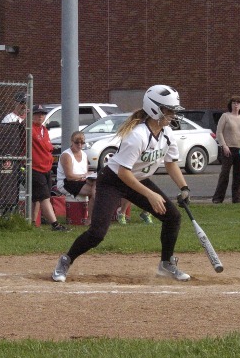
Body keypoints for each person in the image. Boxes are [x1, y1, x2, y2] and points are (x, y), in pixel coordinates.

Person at [51, 85, 192, 283]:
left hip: (137, 179)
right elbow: (123, 173)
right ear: (154, 109)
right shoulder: (138, 135)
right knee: (97, 233)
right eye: (168, 110)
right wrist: (150, 195)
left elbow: (171, 164)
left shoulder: (167, 133)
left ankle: (166, 265)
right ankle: (66, 260)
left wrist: (184, 187)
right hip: (113, 181)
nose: (173, 114)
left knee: (172, 217)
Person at [31, 105, 67, 231]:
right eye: (37, 114)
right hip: (35, 168)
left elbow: (48, 146)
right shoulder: (30, 129)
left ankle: (32, 223)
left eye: (42, 114)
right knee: (44, 197)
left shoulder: (44, 130)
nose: (40, 116)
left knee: (36, 198)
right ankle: (55, 224)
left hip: (46, 167)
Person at [212, 95, 240, 204]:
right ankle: (218, 199)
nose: (236, 105)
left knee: (238, 175)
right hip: (228, 149)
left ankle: (237, 199)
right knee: (225, 174)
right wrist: (224, 145)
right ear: (231, 105)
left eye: (238, 103)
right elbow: (219, 132)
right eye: (234, 103)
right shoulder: (225, 116)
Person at [56, 131, 97, 217]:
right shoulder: (66, 155)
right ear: (71, 142)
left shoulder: (84, 154)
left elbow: (85, 173)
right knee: (96, 191)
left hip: (80, 181)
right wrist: (83, 176)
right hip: (66, 183)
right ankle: (91, 218)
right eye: (77, 143)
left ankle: (91, 217)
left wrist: (88, 176)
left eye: (82, 143)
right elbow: (69, 176)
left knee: (97, 185)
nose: (79, 145)